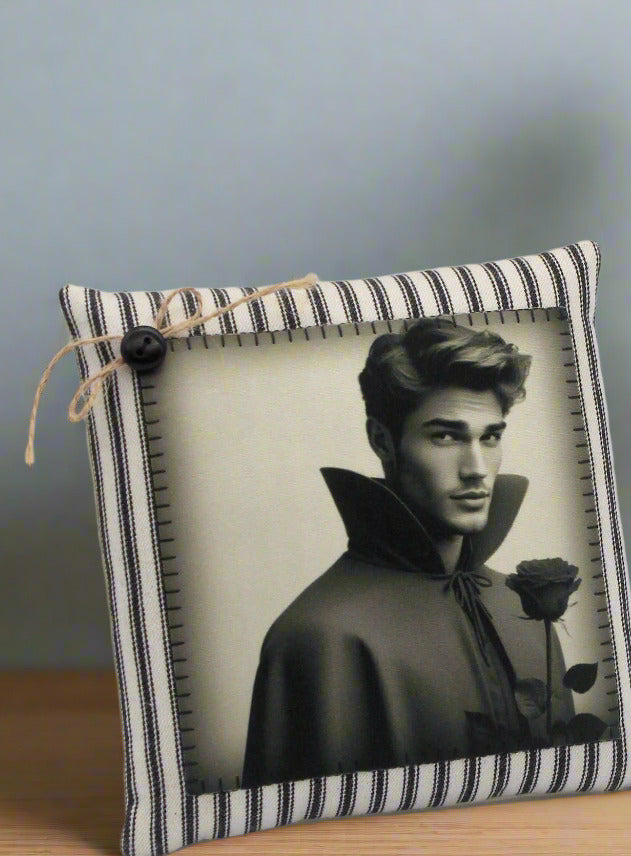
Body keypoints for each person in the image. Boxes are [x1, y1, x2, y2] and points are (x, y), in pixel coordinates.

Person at [242, 318, 573, 786]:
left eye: (490, 436)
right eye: (446, 436)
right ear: (382, 440)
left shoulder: (521, 605)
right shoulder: (318, 638)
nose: (476, 469)